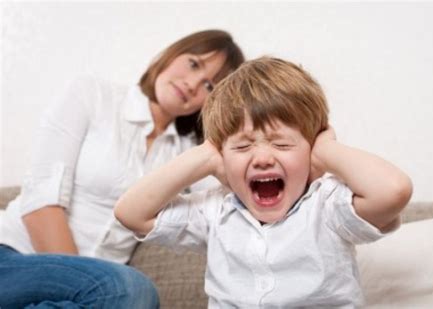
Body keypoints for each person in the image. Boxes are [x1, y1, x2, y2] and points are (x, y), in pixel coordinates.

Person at [115, 57, 413, 308]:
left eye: (282, 145)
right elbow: (131, 213)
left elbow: (393, 190)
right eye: (242, 148)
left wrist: (325, 151)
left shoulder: (328, 204)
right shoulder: (215, 211)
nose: (261, 158)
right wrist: (204, 156)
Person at [0, 29, 244, 308]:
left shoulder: (189, 152)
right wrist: (90, 281)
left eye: (210, 86)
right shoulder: (92, 95)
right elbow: (40, 202)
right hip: (12, 257)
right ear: (171, 54)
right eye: (193, 64)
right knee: (133, 289)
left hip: (91, 298)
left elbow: (231, 204)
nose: (192, 84)